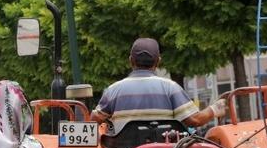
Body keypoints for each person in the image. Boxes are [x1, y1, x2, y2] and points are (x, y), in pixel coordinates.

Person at [90, 38, 226, 133]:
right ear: (158, 61)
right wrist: (215, 109)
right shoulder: (171, 88)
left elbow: (94, 120)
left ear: (131, 61)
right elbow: (194, 120)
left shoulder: (113, 90)